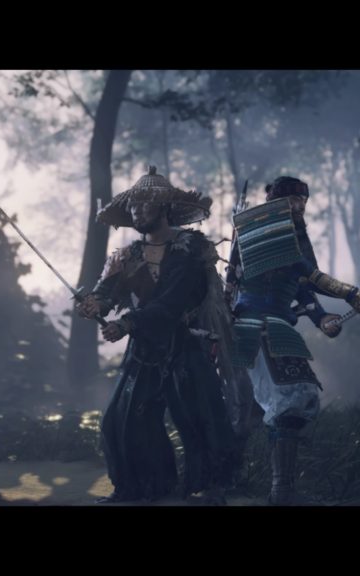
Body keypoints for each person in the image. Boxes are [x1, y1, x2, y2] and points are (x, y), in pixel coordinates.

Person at [76, 166, 237, 504]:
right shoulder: (128, 255)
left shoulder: (190, 249)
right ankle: (142, 488)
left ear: (164, 207)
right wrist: (93, 303)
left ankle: (208, 488)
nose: (136, 211)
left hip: (186, 342)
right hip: (145, 347)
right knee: (120, 418)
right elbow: (107, 291)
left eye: (144, 205)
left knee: (199, 416)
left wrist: (126, 324)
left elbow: (172, 302)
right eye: (132, 206)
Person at [225, 176, 360, 505]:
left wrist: (321, 318)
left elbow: (302, 286)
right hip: (253, 328)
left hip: (277, 327)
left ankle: (280, 491)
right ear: (275, 203)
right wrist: (352, 294)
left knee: (295, 402)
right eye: (292, 200)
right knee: (272, 407)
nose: (299, 207)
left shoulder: (295, 236)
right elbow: (307, 272)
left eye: (303, 201)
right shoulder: (261, 233)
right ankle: (243, 486)